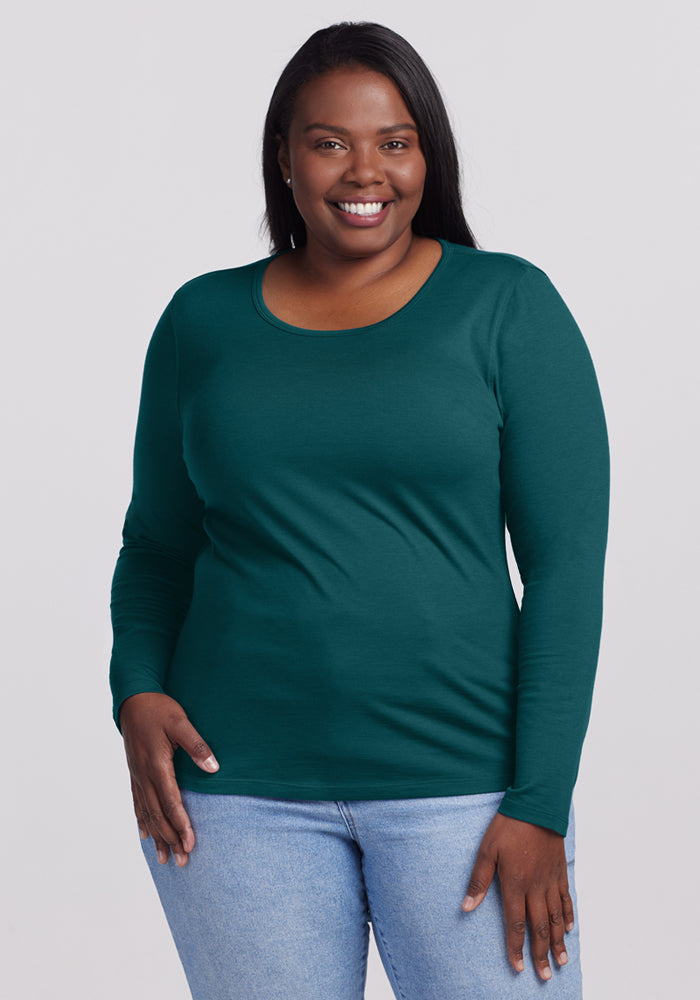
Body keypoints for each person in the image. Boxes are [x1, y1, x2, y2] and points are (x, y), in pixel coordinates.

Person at [109, 20, 609, 1000]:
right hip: (233, 797)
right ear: (284, 158)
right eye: (330, 141)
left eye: (394, 140)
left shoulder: (507, 307)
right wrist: (134, 689)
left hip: (466, 795)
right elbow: (157, 545)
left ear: (428, 155)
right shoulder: (202, 321)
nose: (364, 170)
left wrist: (540, 802)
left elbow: (563, 572)